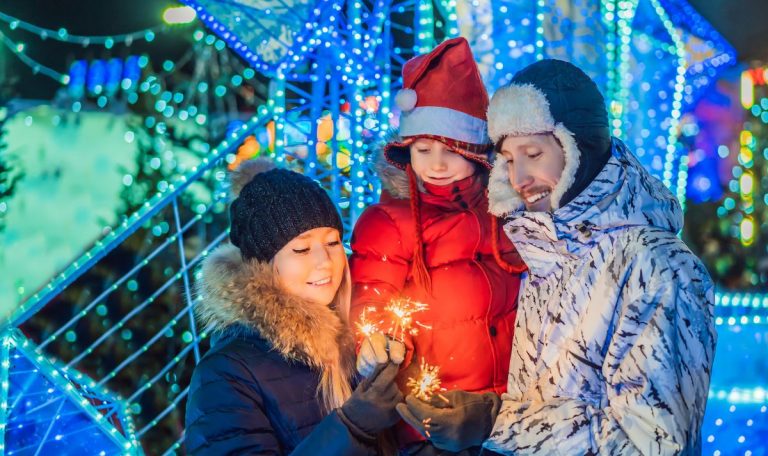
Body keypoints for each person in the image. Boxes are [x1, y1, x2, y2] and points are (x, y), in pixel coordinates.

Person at [396, 59, 717, 455]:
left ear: (580, 148)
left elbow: (649, 443)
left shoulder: (659, 268)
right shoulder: (543, 255)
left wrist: (497, 422)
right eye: (509, 160)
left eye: (533, 153)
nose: (519, 178)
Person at [350, 37, 526, 455]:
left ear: (477, 152)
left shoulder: (503, 210)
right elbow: (373, 297)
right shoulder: (388, 223)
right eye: (423, 150)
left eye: (451, 150)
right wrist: (376, 342)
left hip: (509, 414)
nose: (437, 164)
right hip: (436, 424)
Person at [185, 158, 404, 455]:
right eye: (301, 249)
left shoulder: (359, 344)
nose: (324, 262)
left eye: (333, 242)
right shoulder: (225, 373)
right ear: (262, 263)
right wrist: (351, 427)